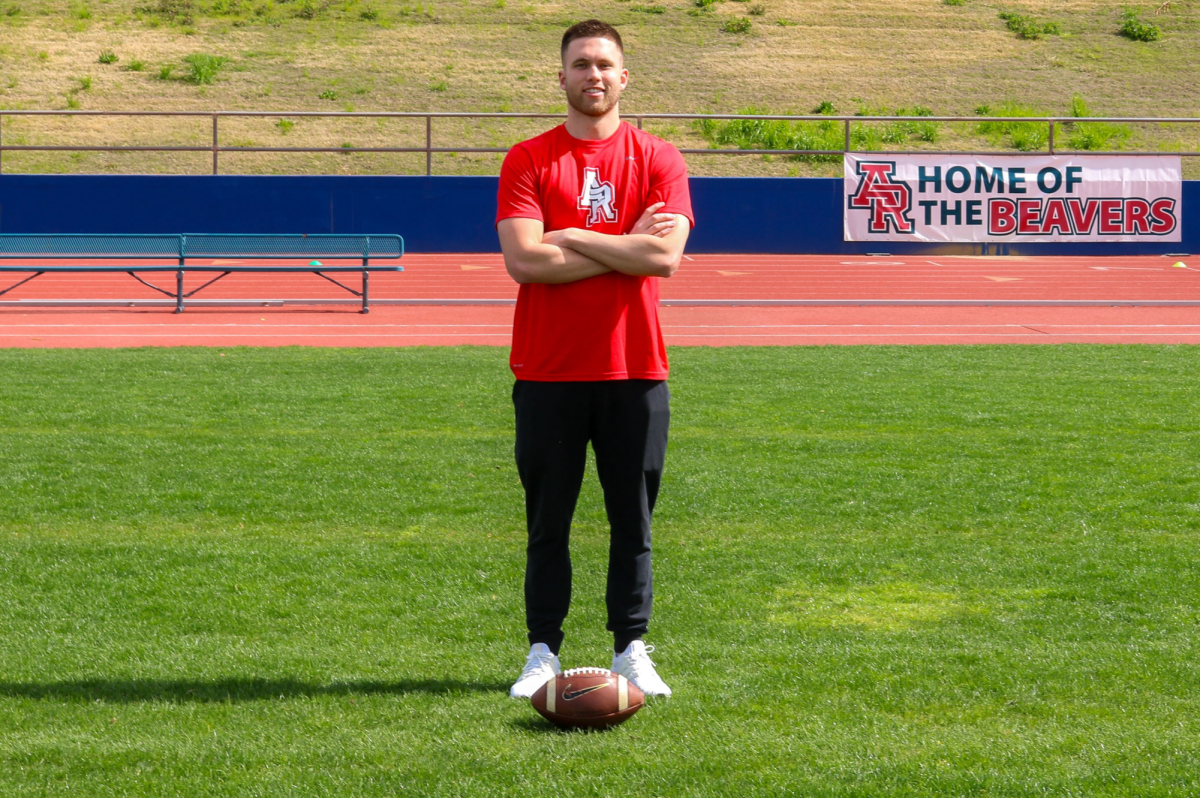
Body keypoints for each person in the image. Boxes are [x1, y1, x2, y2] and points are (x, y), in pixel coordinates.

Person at [495, 18, 694, 700]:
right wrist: (619, 243)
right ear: (562, 77)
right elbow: (525, 261)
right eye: (581, 64)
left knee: (632, 521)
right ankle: (541, 651)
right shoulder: (528, 159)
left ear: (624, 76)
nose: (593, 75)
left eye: (605, 64)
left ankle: (631, 647)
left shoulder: (659, 159)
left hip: (635, 369)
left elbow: (663, 257)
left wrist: (573, 233)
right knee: (548, 521)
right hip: (548, 370)